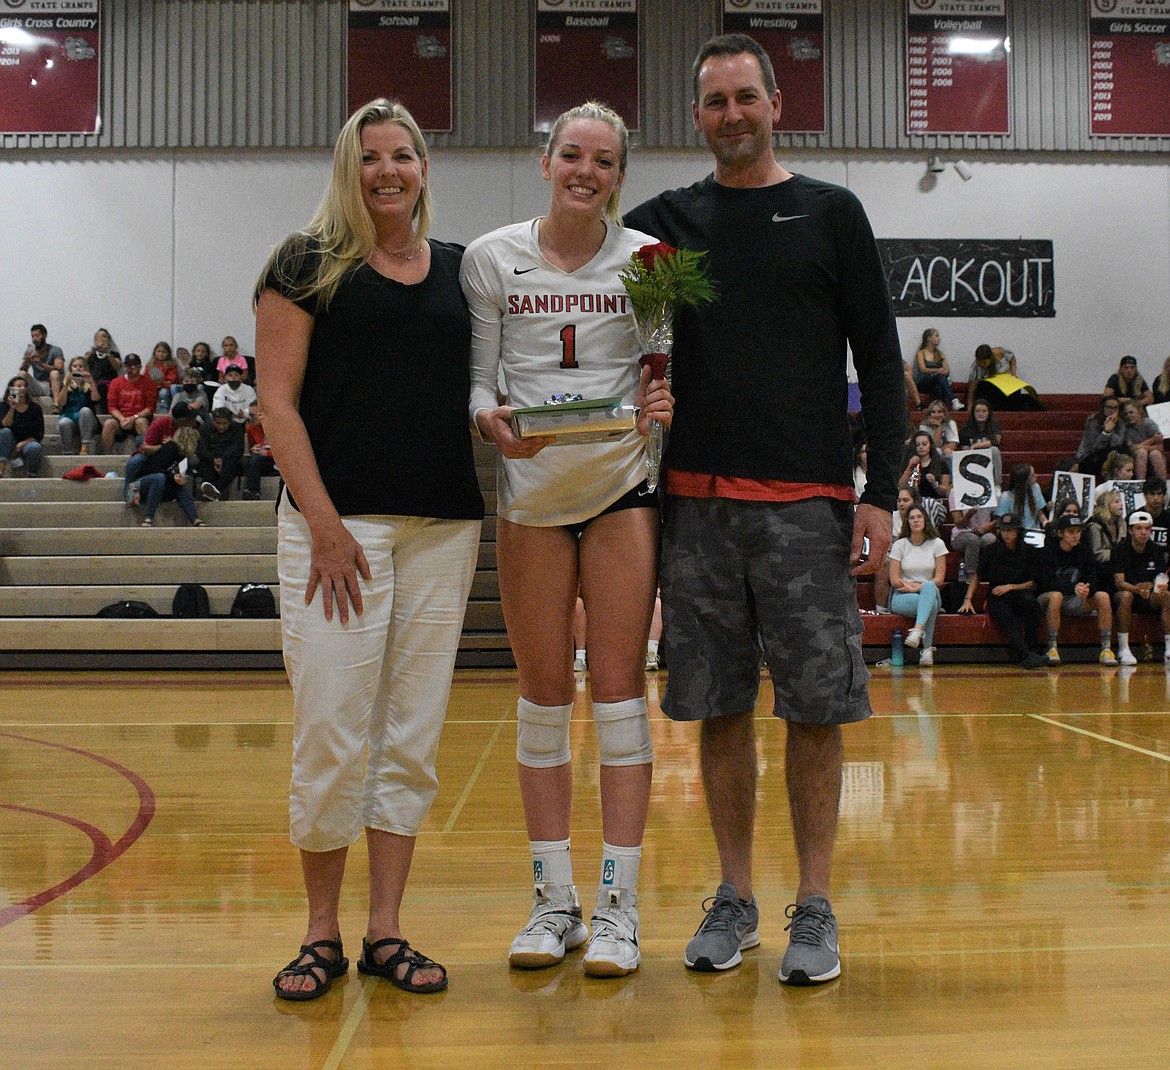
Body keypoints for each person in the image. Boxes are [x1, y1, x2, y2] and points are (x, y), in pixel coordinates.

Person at [623, 33, 905, 985]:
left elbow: (882, 359)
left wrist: (884, 494)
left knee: (816, 713)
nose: (732, 114)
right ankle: (735, 896)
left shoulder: (833, 215)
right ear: (696, 116)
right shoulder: (660, 223)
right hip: (695, 508)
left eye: (747, 96)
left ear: (777, 102)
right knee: (719, 710)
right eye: (715, 101)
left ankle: (814, 908)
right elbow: (616, 331)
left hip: (809, 509)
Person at [255, 99, 484, 1000]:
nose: (387, 171)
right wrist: (323, 526)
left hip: (443, 529)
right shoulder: (304, 263)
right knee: (333, 731)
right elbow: (277, 404)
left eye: (403, 156)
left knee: (410, 736)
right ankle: (320, 933)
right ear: (348, 170)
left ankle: (386, 930)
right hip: (335, 536)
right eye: (369, 158)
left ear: (424, 167)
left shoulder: (465, 272)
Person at [462, 100, 672, 980]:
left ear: (621, 176)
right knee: (544, 701)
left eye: (605, 161)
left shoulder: (651, 262)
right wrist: (494, 425)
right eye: (571, 155)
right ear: (546, 160)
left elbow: (660, 372)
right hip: (531, 501)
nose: (587, 171)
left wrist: (662, 405)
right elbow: (477, 388)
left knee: (621, 700)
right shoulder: (490, 259)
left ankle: (620, 910)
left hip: (622, 491)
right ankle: (555, 902)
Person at [958, 515, 1047, 668]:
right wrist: (968, 599)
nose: (1006, 534)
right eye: (1003, 530)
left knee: (1031, 604)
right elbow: (977, 576)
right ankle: (1026, 655)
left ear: (1018, 531)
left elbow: (1033, 583)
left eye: (1010, 530)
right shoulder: (990, 550)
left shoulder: (1029, 551)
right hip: (996, 597)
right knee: (1004, 614)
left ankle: (1032, 650)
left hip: (1020, 593)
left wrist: (1011, 587)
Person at [1035, 514, 1116, 666]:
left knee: (1103, 596)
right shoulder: (1047, 552)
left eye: (1078, 532)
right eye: (1070, 532)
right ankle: (1052, 647)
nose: (1075, 536)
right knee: (1056, 596)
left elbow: (1093, 578)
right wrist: (1072, 588)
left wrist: (1087, 589)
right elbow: (1044, 583)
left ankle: (1106, 648)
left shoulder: (1084, 552)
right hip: (1048, 599)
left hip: (1074, 598)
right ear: (1060, 533)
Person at [887, 504, 948, 667]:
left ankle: (917, 631)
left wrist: (917, 587)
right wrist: (915, 588)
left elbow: (940, 579)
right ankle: (927, 650)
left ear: (925, 520)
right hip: (902, 596)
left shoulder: (937, 543)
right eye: (912, 518)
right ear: (907, 522)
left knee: (929, 589)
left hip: (927, 591)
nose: (915, 520)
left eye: (919, 517)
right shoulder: (900, 544)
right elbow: (894, 580)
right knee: (931, 604)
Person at [1112, 511, 1170, 665]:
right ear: (1130, 530)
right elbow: (1119, 582)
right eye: (1139, 528)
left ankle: (1169, 649)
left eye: (1147, 528)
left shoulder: (1156, 550)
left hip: (1148, 595)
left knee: (1166, 595)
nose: (1144, 532)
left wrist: (1152, 585)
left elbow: (1160, 578)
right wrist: (1137, 589)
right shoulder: (1120, 549)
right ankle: (1123, 649)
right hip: (1127, 594)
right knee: (1125, 596)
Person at [133, 426, 203, 527]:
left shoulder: (183, 456)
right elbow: (153, 468)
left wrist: (178, 478)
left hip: (158, 487)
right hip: (141, 484)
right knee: (159, 478)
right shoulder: (170, 448)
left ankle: (195, 518)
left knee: (178, 487)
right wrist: (172, 476)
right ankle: (148, 517)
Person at [100, 354, 158, 452]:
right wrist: (122, 419)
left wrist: (133, 418)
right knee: (109, 424)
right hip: (121, 419)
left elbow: (150, 408)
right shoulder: (116, 382)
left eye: (134, 365)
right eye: (128, 366)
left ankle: (144, 452)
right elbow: (112, 407)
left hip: (140, 417)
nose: (132, 368)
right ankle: (107, 453)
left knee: (141, 422)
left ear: (140, 367)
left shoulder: (148, 382)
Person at [53, 356, 101, 455]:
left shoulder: (90, 383)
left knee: (85, 410)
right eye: (75, 366)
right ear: (71, 369)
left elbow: (96, 399)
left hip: (87, 420)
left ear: (85, 369)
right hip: (70, 419)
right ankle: (67, 451)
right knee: (63, 422)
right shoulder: (66, 385)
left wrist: (91, 381)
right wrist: (66, 384)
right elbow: (61, 403)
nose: (78, 368)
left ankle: (84, 447)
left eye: (81, 366)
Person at [195, 406, 245, 500]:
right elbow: (201, 448)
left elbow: (238, 449)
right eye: (218, 423)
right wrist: (213, 459)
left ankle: (213, 492)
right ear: (213, 421)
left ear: (229, 422)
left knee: (231, 464)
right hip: (209, 459)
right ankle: (214, 493)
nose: (221, 426)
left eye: (224, 423)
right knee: (205, 464)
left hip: (229, 460)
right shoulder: (205, 428)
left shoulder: (237, 429)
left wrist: (223, 459)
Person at [0, 376, 46, 476]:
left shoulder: (35, 408)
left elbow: (39, 434)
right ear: (11, 389)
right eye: (19, 386)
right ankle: (1, 468)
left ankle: (32, 474)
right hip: (8, 443)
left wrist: (22, 444)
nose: (22, 388)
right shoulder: (3, 406)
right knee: (5, 432)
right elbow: (4, 425)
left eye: (24, 386)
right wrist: (12, 408)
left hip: (27, 443)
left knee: (35, 447)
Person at [1085, 487, 1128, 593]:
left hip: (1118, 567)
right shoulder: (1095, 525)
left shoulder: (1122, 523)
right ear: (1106, 506)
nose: (1121, 505)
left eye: (1120, 501)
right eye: (1116, 502)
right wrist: (1116, 554)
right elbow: (1097, 553)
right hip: (1099, 570)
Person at [957, 398, 1003, 489]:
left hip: (989, 460)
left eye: (984, 411)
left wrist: (975, 445)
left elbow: (996, 441)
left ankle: (997, 485)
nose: (981, 414)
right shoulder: (966, 428)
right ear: (973, 413)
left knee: (994, 450)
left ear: (989, 412)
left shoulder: (994, 425)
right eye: (978, 411)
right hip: (973, 460)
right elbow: (965, 451)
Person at [1075, 395, 1124, 478]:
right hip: (1089, 456)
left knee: (1121, 452)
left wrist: (1111, 429)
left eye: (1115, 408)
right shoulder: (1093, 421)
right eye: (1109, 407)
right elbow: (1094, 447)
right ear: (1103, 408)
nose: (1112, 411)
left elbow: (1117, 444)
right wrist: (1106, 432)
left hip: (1110, 454)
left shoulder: (1122, 422)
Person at [912, 328, 960, 411]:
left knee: (938, 388)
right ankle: (953, 400)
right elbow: (923, 369)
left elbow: (946, 369)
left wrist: (943, 371)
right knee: (939, 376)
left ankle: (940, 409)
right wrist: (937, 370)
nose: (939, 338)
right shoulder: (921, 353)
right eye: (936, 336)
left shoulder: (940, 354)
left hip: (936, 382)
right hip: (923, 382)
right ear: (929, 338)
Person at [1117, 400, 1166, 481]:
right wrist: (1150, 441)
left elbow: (1160, 447)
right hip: (1135, 457)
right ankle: (1140, 483)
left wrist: (1141, 446)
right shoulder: (1126, 427)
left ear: (1139, 412)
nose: (1128, 416)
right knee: (1141, 452)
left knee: (1155, 453)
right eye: (1126, 414)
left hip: (1152, 457)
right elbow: (1131, 449)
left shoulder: (1149, 423)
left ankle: (1162, 485)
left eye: (1131, 412)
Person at [995, 463, 1048, 531]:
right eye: (1032, 475)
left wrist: (1045, 522)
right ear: (1024, 480)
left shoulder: (1036, 487)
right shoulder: (1006, 497)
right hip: (1015, 533)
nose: (1036, 476)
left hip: (1034, 531)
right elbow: (1001, 520)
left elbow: (1039, 512)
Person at [19, 323, 65, 399]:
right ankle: (20, 403)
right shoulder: (31, 350)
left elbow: (60, 369)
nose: (34, 339)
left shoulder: (55, 350)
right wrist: (26, 361)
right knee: (21, 373)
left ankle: (56, 404)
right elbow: (22, 371)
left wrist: (40, 364)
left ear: (44, 335)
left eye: (37, 336)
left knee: (54, 373)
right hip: (37, 384)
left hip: (51, 385)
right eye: (32, 336)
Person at [242, 402, 277, 500]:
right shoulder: (251, 428)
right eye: (250, 414)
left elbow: (287, 452)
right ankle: (253, 492)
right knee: (252, 459)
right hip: (263, 461)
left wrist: (267, 453)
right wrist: (254, 449)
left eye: (253, 415)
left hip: (279, 459)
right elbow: (252, 447)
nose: (250, 417)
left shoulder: (278, 427)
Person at [144, 342, 183, 412]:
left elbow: (172, 379)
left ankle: (164, 411)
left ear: (168, 353)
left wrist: (162, 382)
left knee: (163, 393)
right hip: (153, 387)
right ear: (155, 352)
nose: (161, 354)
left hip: (165, 387)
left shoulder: (171, 364)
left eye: (164, 352)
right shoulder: (150, 364)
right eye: (158, 351)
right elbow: (146, 377)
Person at [1141, 476, 1169, 550]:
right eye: (1152, 494)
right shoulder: (1134, 517)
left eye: (1159, 494)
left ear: (1164, 496)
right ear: (1145, 496)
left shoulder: (1168, 518)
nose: (1156, 498)